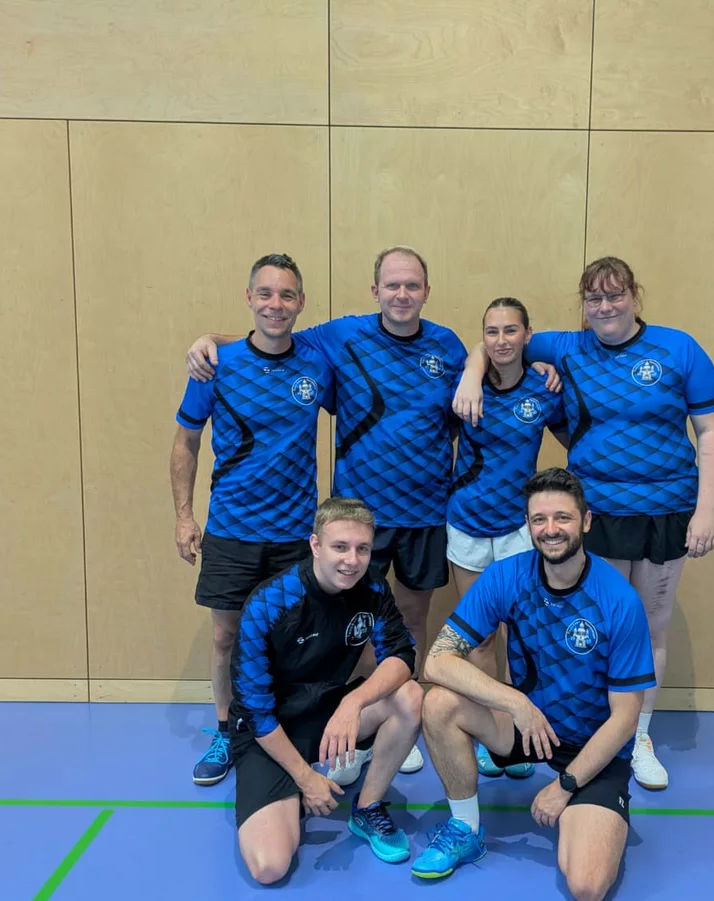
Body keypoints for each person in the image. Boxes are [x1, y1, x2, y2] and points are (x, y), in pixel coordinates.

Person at [186, 247, 555, 776]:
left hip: (426, 516)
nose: (402, 294)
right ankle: (366, 722)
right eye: (392, 285)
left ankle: (406, 716)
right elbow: (272, 335)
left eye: (412, 285)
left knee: (411, 619)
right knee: (359, 626)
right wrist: (210, 340)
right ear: (375, 290)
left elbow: (494, 357)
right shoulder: (342, 336)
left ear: (426, 292)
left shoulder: (448, 346)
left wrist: (488, 366)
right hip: (363, 519)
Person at [452, 256, 714, 791]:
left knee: (651, 624)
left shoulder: (679, 349)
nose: (605, 306)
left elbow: (710, 432)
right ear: (584, 305)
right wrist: (471, 371)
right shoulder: (567, 347)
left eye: (615, 295)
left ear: (634, 296)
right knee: (600, 626)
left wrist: (707, 509)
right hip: (596, 511)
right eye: (594, 298)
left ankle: (637, 735)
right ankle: (598, 733)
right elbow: (498, 342)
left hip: (667, 509)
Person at [412, 468, 655, 901]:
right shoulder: (506, 577)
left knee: (587, 887)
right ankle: (465, 829)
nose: (550, 529)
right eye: (539, 519)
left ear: (586, 521)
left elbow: (625, 719)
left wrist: (565, 786)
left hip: (592, 745)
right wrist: (515, 703)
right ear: (527, 524)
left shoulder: (618, 600)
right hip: (529, 726)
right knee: (439, 704)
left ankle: (592, 810)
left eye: (562, 517)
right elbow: (437, 660)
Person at [171, 253, 335, 786]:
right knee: (226, 638)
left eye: (286, 295)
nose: (275, 304)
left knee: (292, 640)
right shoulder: (216, 365)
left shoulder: (317, 362)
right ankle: (226, 730)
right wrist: (184, 517)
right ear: (249, 298)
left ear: (301, 302)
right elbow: (186, 442)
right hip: (230, 531)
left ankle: (286, 734)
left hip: (295, 534)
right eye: (265, 293)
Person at [229, 497, 424, 883]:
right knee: (269, 867)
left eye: (362, 549)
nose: (352, 560)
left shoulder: (372, 587)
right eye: (340, 547)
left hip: (329, 710)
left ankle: (367, 807)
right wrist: (306, 780)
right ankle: (303, 779)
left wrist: (354, 702)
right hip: (270, 732)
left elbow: (402, 656)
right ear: (315, 545)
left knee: (410, 697)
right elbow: (256, 713)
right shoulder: (269, 603)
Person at [446, 297, 565, 779]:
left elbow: (576, 440)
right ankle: (488, 734)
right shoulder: (464, 385)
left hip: (519, 528)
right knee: (480, 637)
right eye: (491, 332)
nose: (501, 340)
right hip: (467, 523)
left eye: (510, 330)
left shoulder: (544, 387)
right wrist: (471, 372)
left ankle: (518, 734)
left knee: (522, 635)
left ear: (527, 335)